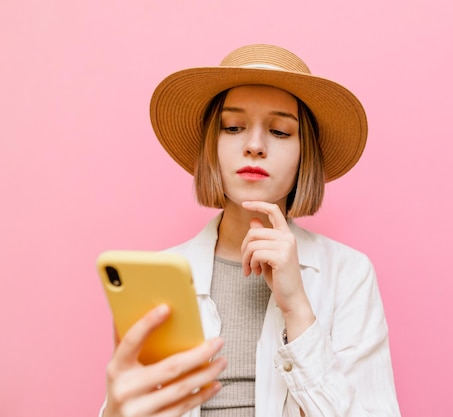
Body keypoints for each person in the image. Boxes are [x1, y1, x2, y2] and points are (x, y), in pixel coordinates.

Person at [100, 44, 401, 417]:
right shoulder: (156, 278)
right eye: (233, 127)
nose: (254, 146)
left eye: (279, 130)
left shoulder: (349, 274)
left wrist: (297, 309)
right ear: (212, 145)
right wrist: (115, 410)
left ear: (304, 155)